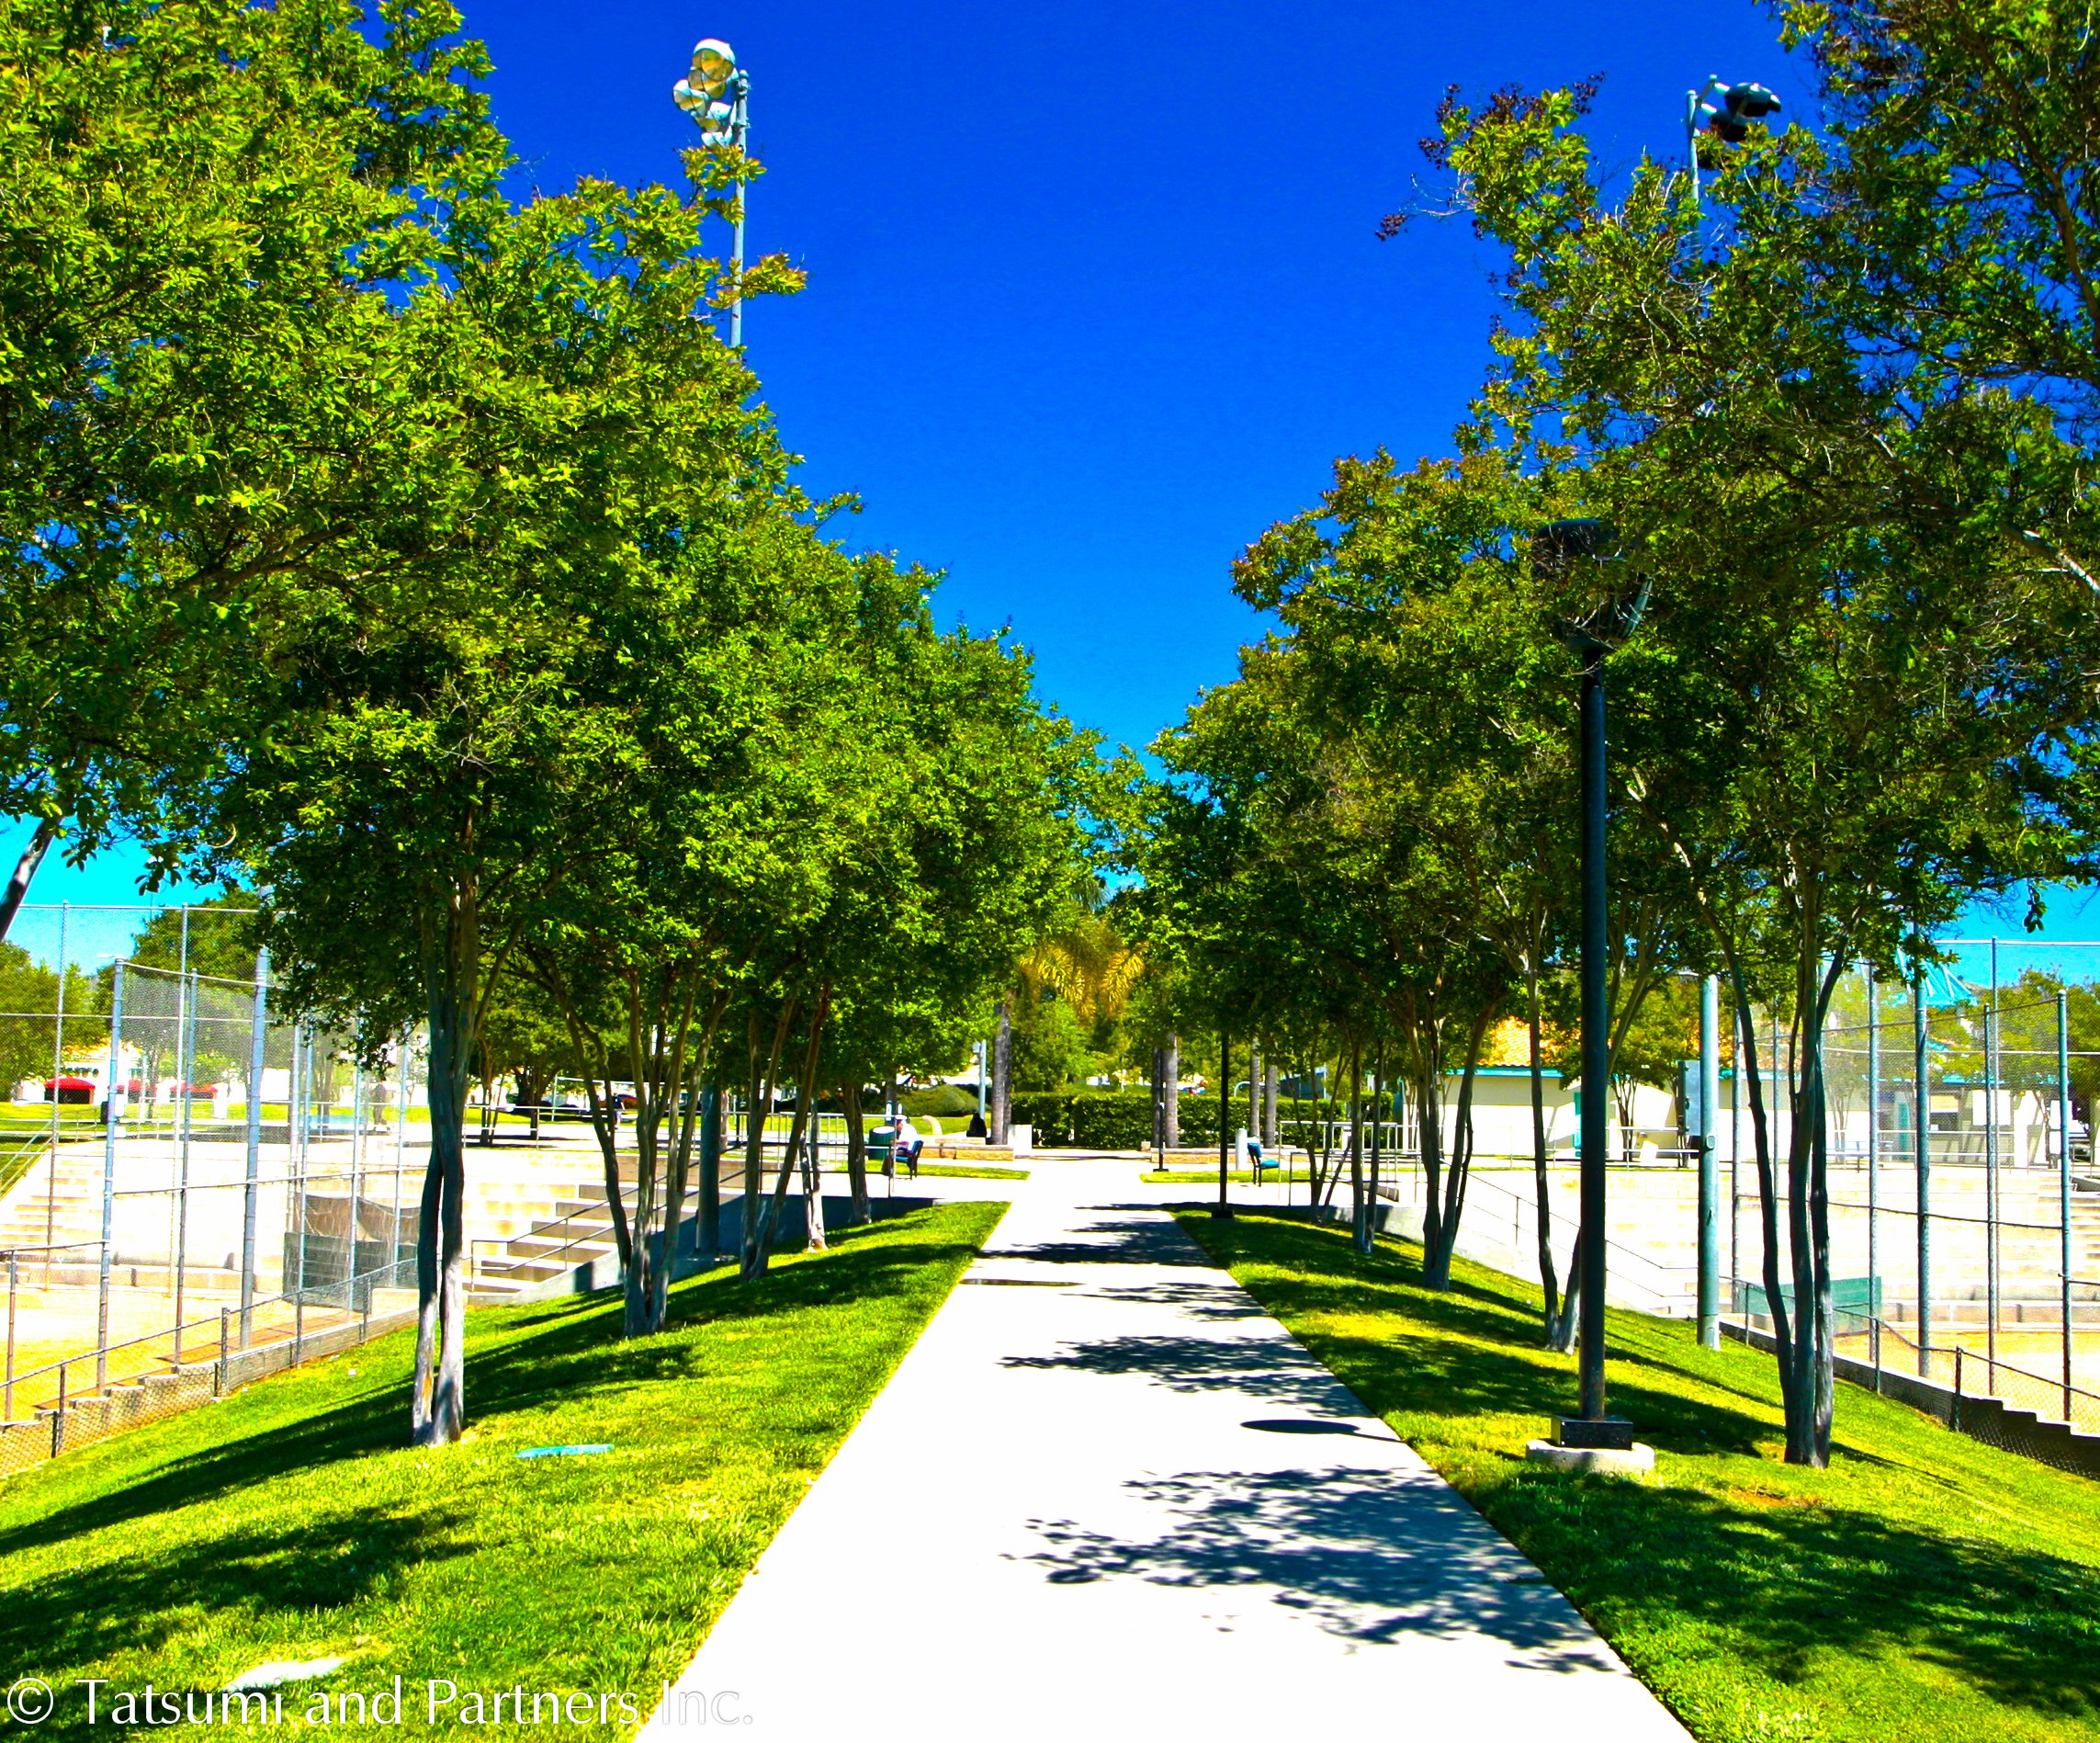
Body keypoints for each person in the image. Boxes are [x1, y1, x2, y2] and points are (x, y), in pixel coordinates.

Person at [892, 1112, 923, 1180]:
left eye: (897, 1125)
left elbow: (906, 1142)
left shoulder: (905, 1129)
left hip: (906, 1151)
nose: (897, 1127)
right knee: (891, 1153)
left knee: (889, 1154)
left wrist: (897, 1142)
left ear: (900, 1123)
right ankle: (889, 1171)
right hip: (910, 1150)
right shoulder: (909, 1127)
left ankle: (887, 1172)